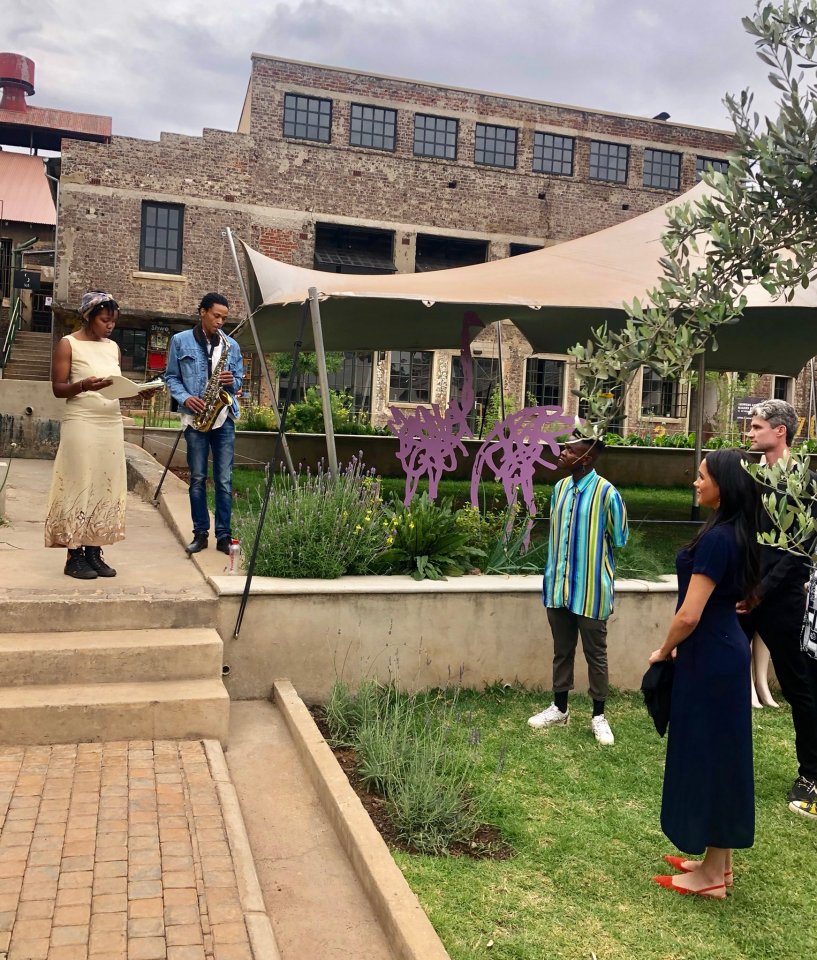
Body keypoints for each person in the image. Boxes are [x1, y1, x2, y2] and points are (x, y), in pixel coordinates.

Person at [650, 449, 760, 900]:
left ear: (723, 485)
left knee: (709, 756)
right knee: (722, 754)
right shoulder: (732, 530)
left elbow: (689, 614)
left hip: (710, 656)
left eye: (701, 477)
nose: (695, 483)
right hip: (722, 651)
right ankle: (720, 863)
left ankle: (711, 876)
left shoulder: (718, 539)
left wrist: (664, 649)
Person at [739, 399, 817, 818]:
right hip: (744, 594)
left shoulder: (804, 479)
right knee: (722, 666)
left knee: (798, 684)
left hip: (782, 600)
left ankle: (811, 774)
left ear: (780, 431)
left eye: (756, 427)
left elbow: (800, 549)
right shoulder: (752, 476)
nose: (750, 433)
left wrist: (760, 592)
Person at [528, 434, 629, 745]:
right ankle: (559, 708)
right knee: (562, 650)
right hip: (558, 586)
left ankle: (599, 715)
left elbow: (620, 537)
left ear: (585, 459)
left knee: (596, 654)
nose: (562, 453)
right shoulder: (559, 489)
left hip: (591, 590)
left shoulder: (607, 493)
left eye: (570, 450)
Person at [45, 291, 125, 579]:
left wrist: (136, 391)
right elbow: (58, 388)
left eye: (113, 321)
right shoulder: (68, 344)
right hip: (82, 421)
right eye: (105, 320)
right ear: (89, 317)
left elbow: (114, 385)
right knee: (80, 483)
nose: (110, 325)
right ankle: (73, 554)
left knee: (105, 485)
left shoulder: (113, 347)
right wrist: (83, 386)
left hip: (111, 423)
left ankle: (94, 548)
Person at [164, 293, 244, 555]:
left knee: (224, 479)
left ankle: (224, 535)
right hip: (195, 418)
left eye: (224, 317)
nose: (221, 321)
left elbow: (240, 381)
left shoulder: (230, 345)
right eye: (216, 315)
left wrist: (232, 381)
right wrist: (186, 398)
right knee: (197, 478)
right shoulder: (180, 341)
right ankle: (200, 534)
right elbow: (171, 377)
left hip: (223, 417)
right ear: (202, 312)